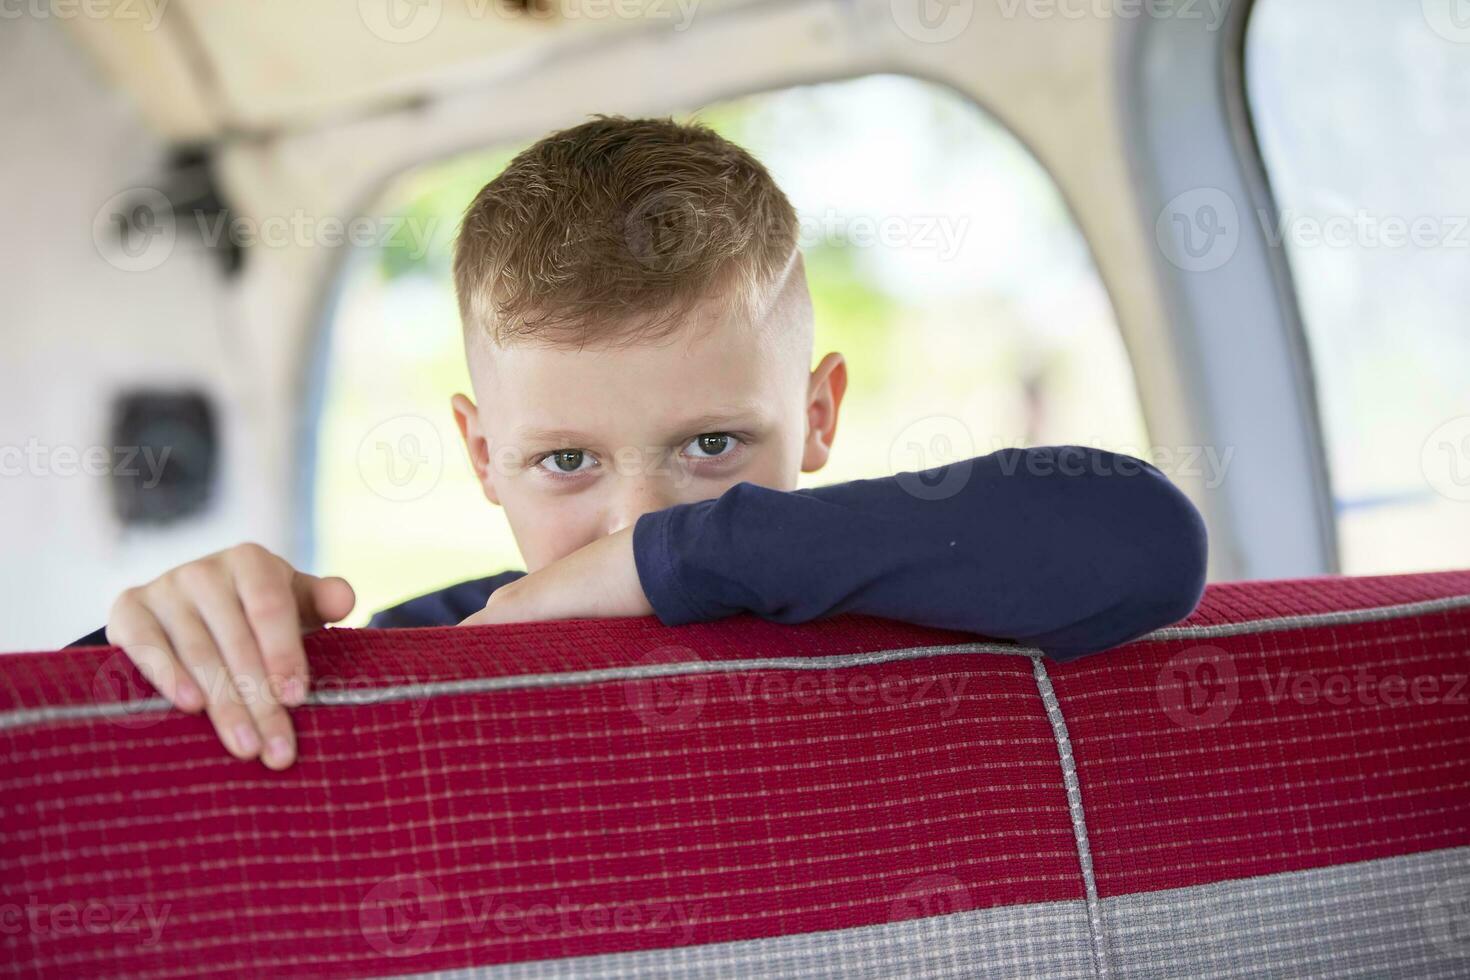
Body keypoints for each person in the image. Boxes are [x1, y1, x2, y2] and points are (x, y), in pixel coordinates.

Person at [70, 117, 1208, 770]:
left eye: (713, 442)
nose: (637, 522)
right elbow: (74, 772)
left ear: (816, 415)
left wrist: (684, 560)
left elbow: (1150, 537)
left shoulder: (894, 579)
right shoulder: (451, 642)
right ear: (480, 455)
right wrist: (190, 627)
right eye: (565, 459)